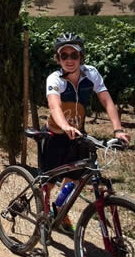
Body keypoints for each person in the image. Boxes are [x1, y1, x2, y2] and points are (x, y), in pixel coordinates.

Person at [43, 33, 130, 233]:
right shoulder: (55, 79)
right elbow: (54, 106)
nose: (69, 60)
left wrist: (118, 129)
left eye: (74, 54)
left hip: (78, 135)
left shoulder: (91, 74)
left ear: (81, 56)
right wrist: (65, 126)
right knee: (48, 182)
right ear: (58, 59)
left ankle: (58, 209)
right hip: (55, 135)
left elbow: (106, 100)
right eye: (64, 55)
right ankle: (45, 215)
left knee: (73, 178)